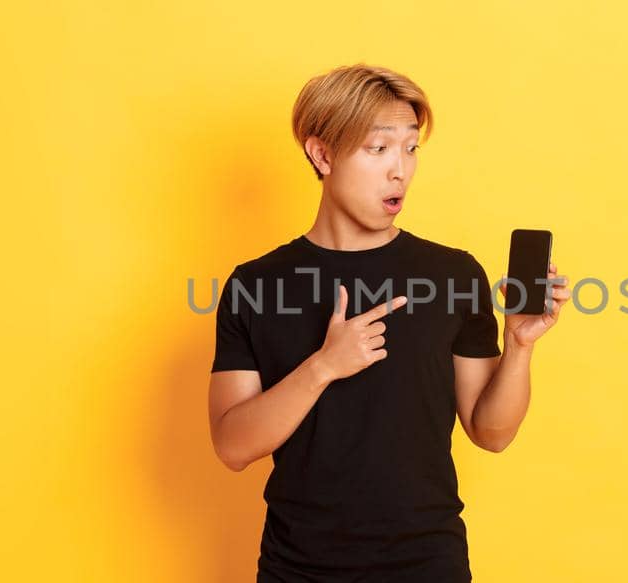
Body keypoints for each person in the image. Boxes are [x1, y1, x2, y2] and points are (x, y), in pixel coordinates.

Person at [207, 63, 569, 582]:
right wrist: (324, 366)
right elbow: (232, 446)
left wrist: (519, 346)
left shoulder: (453, 274)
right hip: (298, 568)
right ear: (322, 154)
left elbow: (490, 432)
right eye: (378, 149)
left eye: (410, 148)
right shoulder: (256, 285)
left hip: (427, 564)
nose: (400, 169)